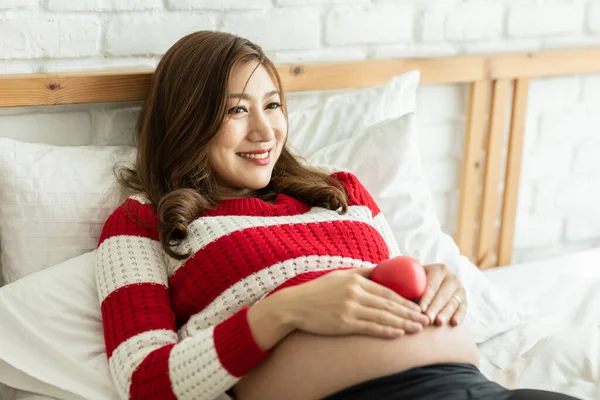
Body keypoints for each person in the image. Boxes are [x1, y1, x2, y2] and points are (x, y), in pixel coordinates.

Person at [95, 31, 580, 400]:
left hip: (476, 386)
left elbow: (392, 279)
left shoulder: (339, 189)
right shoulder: (140, 221)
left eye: (274, 105)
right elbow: (145, 380)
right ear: (186, 120)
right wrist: (285, 310)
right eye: (237, 111)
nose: (266, 131)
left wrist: (439, 284)